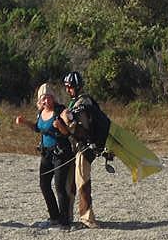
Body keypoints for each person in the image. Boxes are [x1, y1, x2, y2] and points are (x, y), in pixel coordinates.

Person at [15, 82, 74, 229]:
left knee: (60, 186)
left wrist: (60, 126)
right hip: (46, 153)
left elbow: (67, 133)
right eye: (43, 98)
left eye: (49, 97)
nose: (46, 100)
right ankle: (54, 217)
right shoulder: (41, 112)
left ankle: (65, 221)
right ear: (40, 100)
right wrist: (24, 122)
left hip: (61, 153)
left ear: (53, 98)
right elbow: (37, 128)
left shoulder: (60, 111)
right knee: (44, 185)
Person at [62, 70, 111, 228]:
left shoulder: (83, 103)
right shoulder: (77, 102)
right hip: (78, 147)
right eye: (66, 86)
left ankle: (87, 218)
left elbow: (83, 130)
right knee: (71, 182)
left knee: (82, 182)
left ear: (77, 86)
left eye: (70, 86)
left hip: (85, 147)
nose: (68, 89)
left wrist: (68, 122)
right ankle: (68, 216)